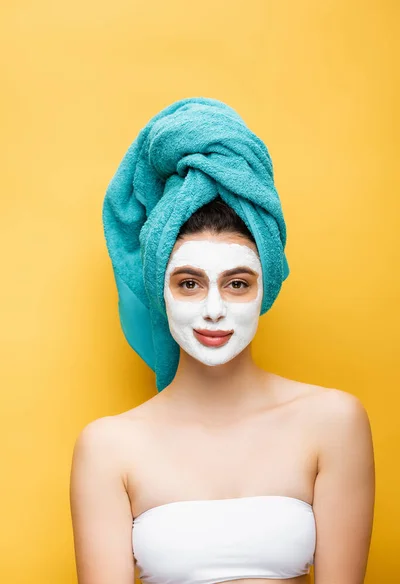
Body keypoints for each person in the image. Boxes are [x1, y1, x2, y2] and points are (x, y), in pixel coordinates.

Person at [70, 99, 375, 584]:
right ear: (160, 292)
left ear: (265, 288)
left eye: (237, 283)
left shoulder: (334, 423)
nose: (214, 309)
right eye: (189, 283)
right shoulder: (108, 447)